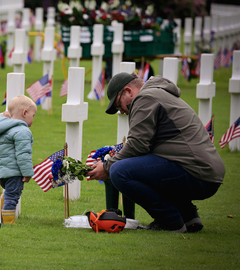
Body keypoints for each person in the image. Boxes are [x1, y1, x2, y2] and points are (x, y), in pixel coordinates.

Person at [86, 72, 225, 232]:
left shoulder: (145, 98)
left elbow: (138, 145)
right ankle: (188, 216)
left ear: (128, 91)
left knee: (119, 171)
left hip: (199, 173)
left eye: (119, 105)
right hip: (204, 171)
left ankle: (170, 221)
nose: (121, 111)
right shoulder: (157, 93)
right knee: (144, 166)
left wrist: (107, 166)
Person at [0, 95, 37, 224]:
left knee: (8, 193)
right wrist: (27, 173)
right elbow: (23, 155)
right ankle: (8, 222)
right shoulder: (22, 131)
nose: (33, 119)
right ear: (25, 113)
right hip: (14, 173)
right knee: (12, 197)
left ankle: (0, 215)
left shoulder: (3, 128)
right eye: (33, 115)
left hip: (1, 172)